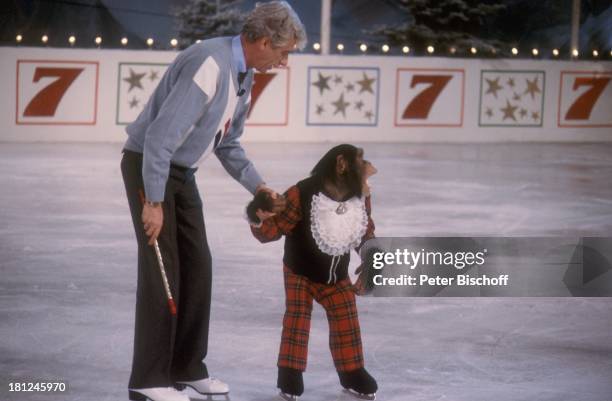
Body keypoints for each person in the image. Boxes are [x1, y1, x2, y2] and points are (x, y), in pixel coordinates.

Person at [120, 2, 307, 401]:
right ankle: (149, 379)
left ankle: (187, 368)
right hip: (151, 166)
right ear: (260, 40)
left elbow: (229, 142)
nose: (284, 61)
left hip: (181, 173)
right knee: (162, 271)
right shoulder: (211, 63)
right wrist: (153, 201)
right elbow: (158, 138)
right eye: (283, 51)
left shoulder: (244, 75)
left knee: (198, 265)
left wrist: (258, 186)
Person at [248, 145, 379, 401]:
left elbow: (364, 230)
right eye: (359, 161)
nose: (367, 166)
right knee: (297, 319)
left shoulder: (359, 196)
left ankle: (352, 373)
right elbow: (273, 231)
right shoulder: (303, 193)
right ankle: (290, 377)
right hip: (300, 272)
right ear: (341, 164)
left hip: (336, 277)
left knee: (346, 318)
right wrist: (260, 217)